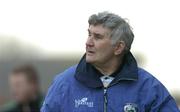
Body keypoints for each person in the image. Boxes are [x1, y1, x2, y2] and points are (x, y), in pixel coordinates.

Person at [41, 12, 180, 112]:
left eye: (97, 37)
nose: (88, 43)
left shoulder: (149, 87)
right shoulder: (64, 84)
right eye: (89, 34)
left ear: (118, 47)